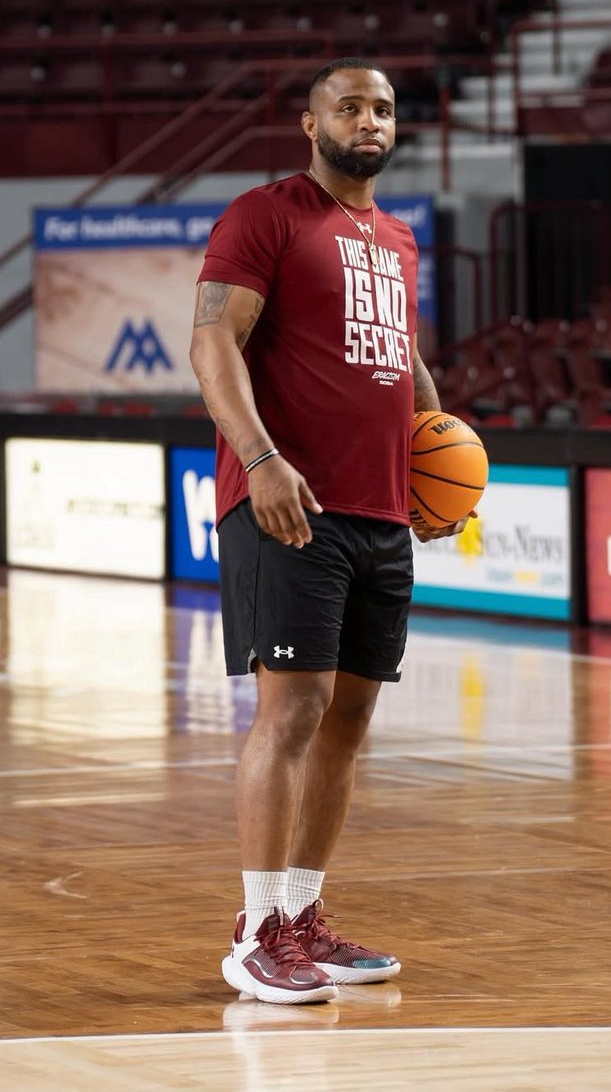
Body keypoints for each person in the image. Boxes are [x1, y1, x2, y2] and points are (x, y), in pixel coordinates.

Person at [189, 57, 466, 1005]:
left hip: (381, 512)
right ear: (311, 125)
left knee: (349, 721)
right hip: (289, 505)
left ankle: (303, 916)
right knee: (293, 712)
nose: (371, 120)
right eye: (349, 105)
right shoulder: (264, 216)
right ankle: (259, 932)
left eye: (384, 107)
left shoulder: (395, 238)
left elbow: (402, 361)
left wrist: (438, 454)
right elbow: (212, 340)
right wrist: (260, 461)